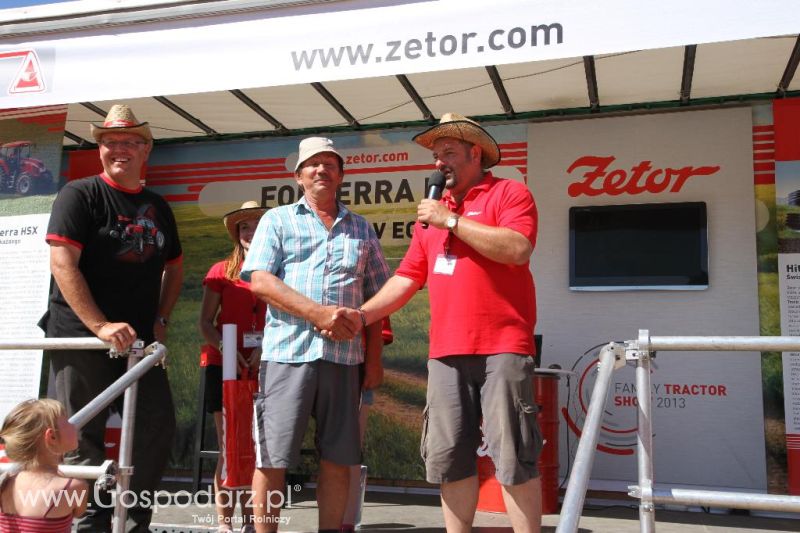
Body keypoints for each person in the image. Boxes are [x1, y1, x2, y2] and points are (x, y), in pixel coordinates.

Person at [341, 113, 543, 533]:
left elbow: (517, 248)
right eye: (436, 155)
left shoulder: (509, 193)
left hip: (503, 346)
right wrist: (362, 316)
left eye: (448, 152)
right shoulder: (431, 214)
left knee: (513, 458)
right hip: (446, 352)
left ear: (476, 152)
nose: (439, 163)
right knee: (449, 458)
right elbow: (407, 278)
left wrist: (451, 221)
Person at [39, 104, 183, 532]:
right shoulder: (78, 194)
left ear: (145, 151)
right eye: (110, 142)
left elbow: (174, 267)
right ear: (100, 149)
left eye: (128, 142)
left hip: (136, 344)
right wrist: (100, 325)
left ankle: (134, 519)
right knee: (78, 435)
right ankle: (87, 523)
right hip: (80, 338)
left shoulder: (158, 206)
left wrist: (161, 318)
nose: (118, 149)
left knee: (156, 426)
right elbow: (62, 263)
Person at [240, 136, 390, 533]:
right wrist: (317, 313)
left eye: (330, 164)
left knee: (340, 459)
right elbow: (259, 280)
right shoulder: (276, 220)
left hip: (345, 361)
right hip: (288, 355)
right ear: (298, 176)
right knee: (272, 457)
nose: (321, 170)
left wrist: (374, 360)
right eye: (313, 164)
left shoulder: (361, 228)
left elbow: (380, 297)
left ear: (341, 176)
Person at [199, 200, 267, 533]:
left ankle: (253, 523)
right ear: (236, 233)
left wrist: (264, 347)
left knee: (257, 446)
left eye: (256, 225)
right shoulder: (220, 271)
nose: (250, 232)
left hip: (264, 364)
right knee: (229, 444)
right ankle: (226, 525)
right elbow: (205, 324)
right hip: (223, 363)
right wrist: (228, 350)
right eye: (244, 226)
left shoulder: (279, 271)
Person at [0, 399, 88, 533]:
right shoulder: (73, 487)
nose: (74, 425)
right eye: (67, 422)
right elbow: (79, 512)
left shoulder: (5, 483)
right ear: (51, 436)